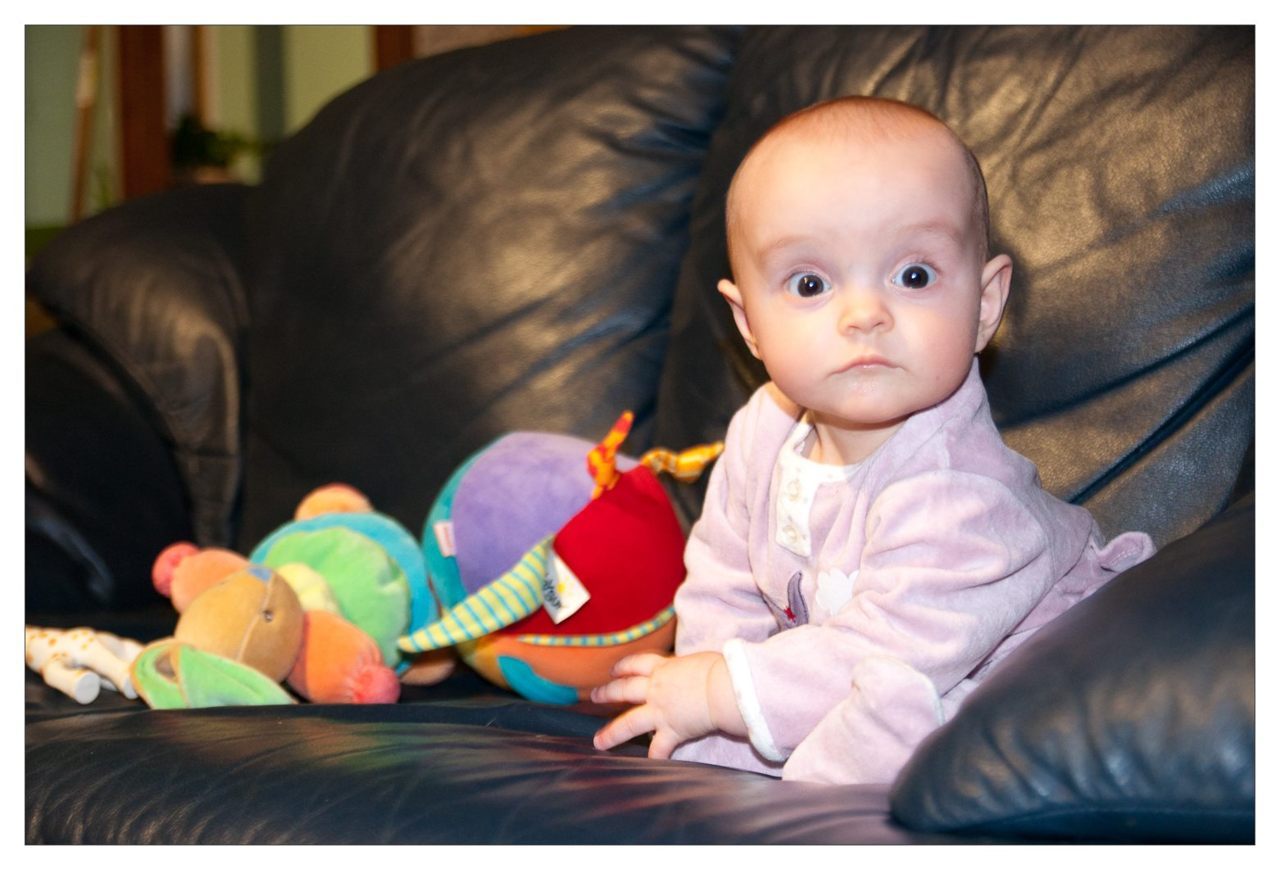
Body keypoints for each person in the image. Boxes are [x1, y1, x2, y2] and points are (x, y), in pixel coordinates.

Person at [589, 95, 1156, 784]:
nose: (864, 314)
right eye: (810, 283)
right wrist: (704, 681)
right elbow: (722, 578)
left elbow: (894, 650)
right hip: (847, 671)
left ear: (985, 305)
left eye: (913, 276)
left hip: (1020, 668)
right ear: (749, 325)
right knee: (706, 739)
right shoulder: (761, 429)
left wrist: (722, 690)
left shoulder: (959, 490)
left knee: (911, 714)